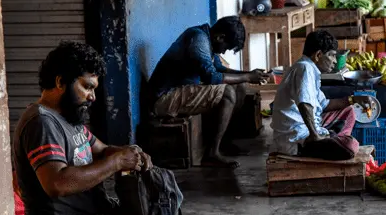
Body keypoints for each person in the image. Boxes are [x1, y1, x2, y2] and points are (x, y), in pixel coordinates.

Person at [14, 41, 168, 215]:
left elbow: (101, 149)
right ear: (60, 82)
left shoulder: (68, 119)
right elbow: (57, 183)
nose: (92, 96)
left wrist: (130, 154)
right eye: (87, 87)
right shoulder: (42, 122)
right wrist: (117, 162)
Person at [145, 16, 270, 167]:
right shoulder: (198, 39)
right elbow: (211, 76)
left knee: (240, 86)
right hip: (164, 99)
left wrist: (248, 74)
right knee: (228, 93)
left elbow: (220, 69)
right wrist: (248, 76)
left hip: (179, 92)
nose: (224, 51)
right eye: (226, 47)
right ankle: (212, 152)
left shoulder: (208, 39)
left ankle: (222, 141)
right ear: (220, 37)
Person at [271, 30, 371, 160]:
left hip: (310, 128)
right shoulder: (304, 68)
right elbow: (304, 104)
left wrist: (354, 99)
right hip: (296, 138)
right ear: (318, 55)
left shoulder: (311, 70)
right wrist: (314, 134)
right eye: (332, 55)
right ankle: (320, 142)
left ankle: (330, 140)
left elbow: (325, 104)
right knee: (350, 145)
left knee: (349, 110)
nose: (335, 61)